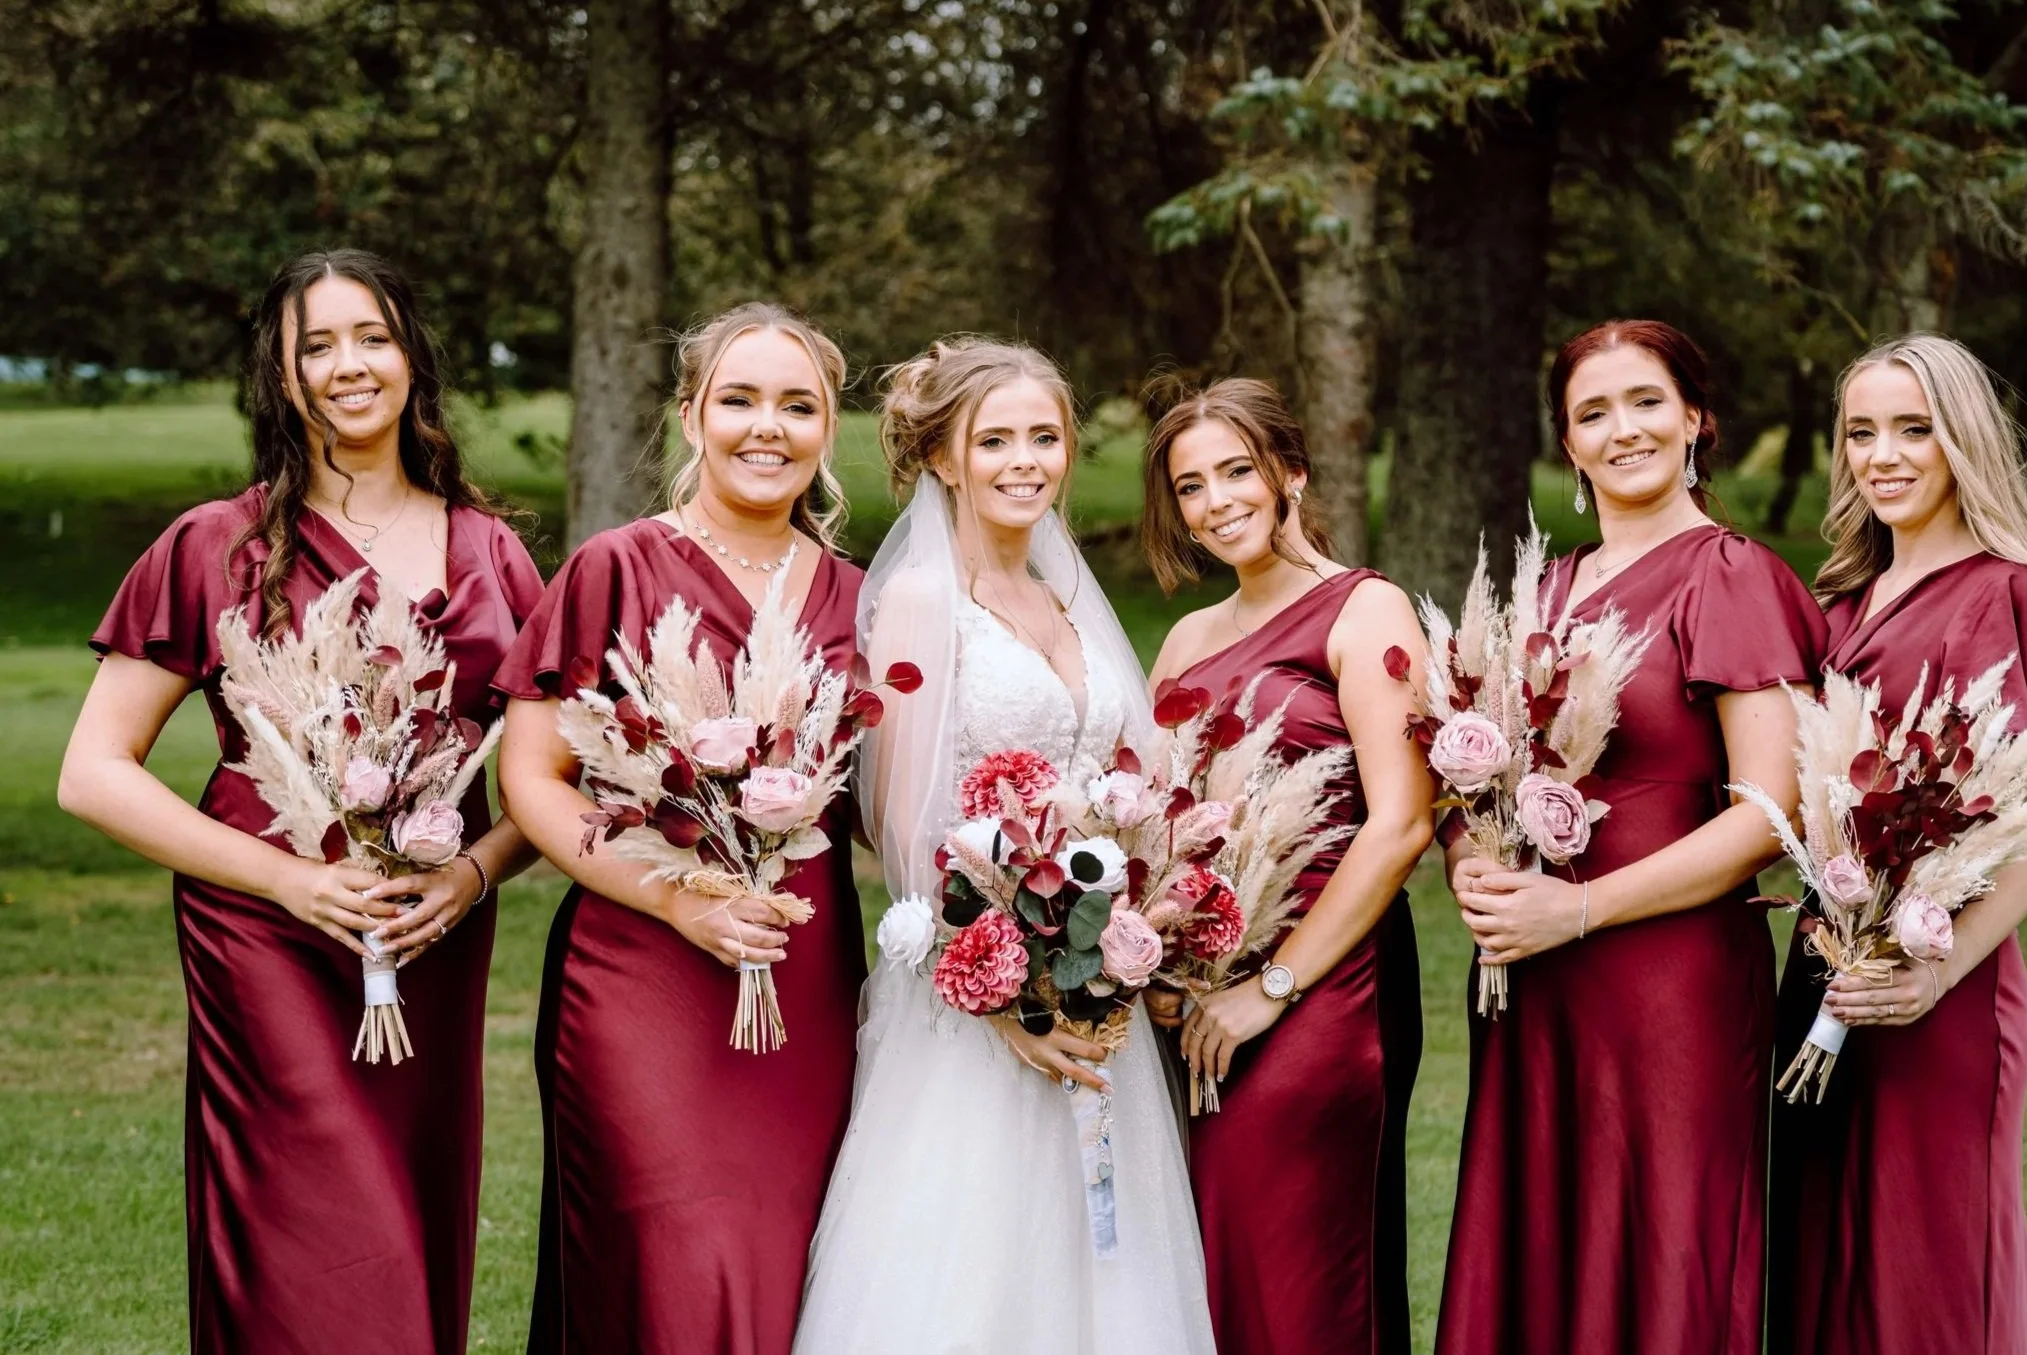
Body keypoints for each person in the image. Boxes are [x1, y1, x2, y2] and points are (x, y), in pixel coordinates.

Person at [58, 249, 542, 1353]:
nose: (347, 364)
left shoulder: (493, 552)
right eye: (314, 345)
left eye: (369, 335)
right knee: (315, 1233)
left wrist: (471, 875)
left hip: (430, 940)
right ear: (280, 377)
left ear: (412, 354)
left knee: (412, 1222)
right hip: (265, 936)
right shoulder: (214, 546)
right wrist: (293, 880)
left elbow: (546, 779)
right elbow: (91, 771)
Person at [794, 336, 1215, 1355]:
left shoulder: (1064, 598)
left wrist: (1113, 944)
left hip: (1085, 985)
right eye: (995, 440)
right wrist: (1006, 996)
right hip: (968, 999)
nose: (1024, 459)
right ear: (944, 457)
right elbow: (900, 837)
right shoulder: (919, 605)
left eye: (1044, 436)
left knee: (1100, 1260)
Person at [1436, 320, 1825, 1355]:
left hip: (1667, 981)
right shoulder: (1546, 589)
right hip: (1536, 988)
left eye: (1646, 402)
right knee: (1544, 1249)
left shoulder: (1730, 574)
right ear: (1566, 442)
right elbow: (1482, 778)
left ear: (1696, 417)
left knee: (1665, 1252)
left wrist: (1580, 906)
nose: (1622, 431)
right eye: (1591, 413)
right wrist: (1471, 861)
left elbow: (1767, 817)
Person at [492, 302, 865, 1355]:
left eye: (798, 406)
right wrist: (675, 898)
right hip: (639, 976)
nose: (767, 427)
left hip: (803, 976)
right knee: (670, 1256)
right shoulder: (615, 567)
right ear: (691, 414)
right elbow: (532, 772)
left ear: (827, 429)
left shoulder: (864, 599)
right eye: (738, 398)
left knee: (783, 1258)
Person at [1767, 333, 2027, 1355]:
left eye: (1913, 429)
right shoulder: (1831, 606)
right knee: (1818, 1264)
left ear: (1961, 439)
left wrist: (1936, 972)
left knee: (1931, 1276)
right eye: (1861, 432)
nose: (1883, 454)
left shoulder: (2005, 592)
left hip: (1939, 990)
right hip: (1826, 972)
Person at [1141, 376, 1435, 1355]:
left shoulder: (1364, 610)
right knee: (1208, 1257)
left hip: (1322, 988)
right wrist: (1160, 973)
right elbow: (1151, 816)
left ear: (1292, 475)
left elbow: (1400, 822)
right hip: (1195, 994)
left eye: (1237, 471)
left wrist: (1271, 987)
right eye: (1191, 486)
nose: (1216, 499)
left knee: (1299, 1264)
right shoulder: (1183, 638)